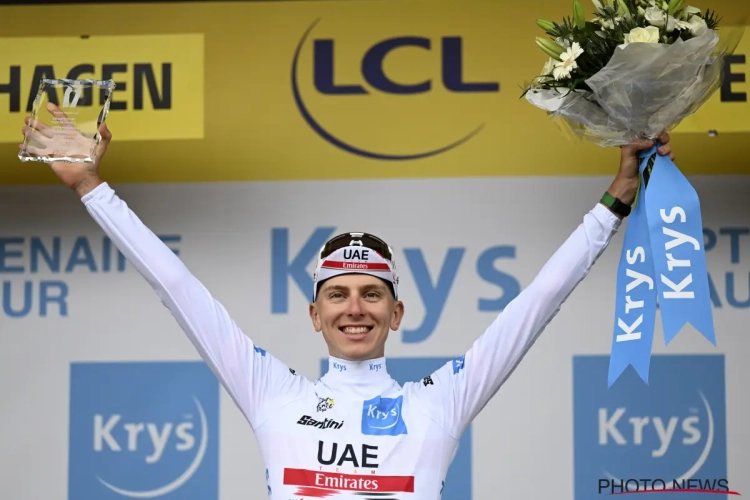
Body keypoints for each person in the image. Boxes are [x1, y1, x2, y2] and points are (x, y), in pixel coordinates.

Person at [19, 107, 674, 499]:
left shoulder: (438, 401)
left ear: (397, 313)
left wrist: (617, 196)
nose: (354, 308)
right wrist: (91, 187)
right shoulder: (274, 395)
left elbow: (538, 302)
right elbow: (178, 289)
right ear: (315, 315)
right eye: (337, 294)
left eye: (371, 294)